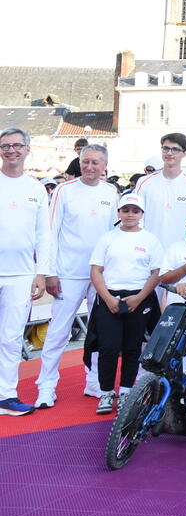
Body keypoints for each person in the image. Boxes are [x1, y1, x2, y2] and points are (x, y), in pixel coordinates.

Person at [36, 143, 116, 408]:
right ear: (79, 163)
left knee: (99, 332)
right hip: (68, 273)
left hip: (101, 276)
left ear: (105, 165)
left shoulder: (111, 192)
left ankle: (94, 382)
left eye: (95, 162)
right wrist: (50, 272)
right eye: (86, 162)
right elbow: (50, 232)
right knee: (58, 331)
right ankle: (46, 386)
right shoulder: (63, 191)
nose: (90, 167)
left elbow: (112, 235)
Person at [88, 194, 163, 414]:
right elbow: (96, 270)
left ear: (141, 214)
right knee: (108, 347)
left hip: (138, 298)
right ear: (119, 213)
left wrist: (139, 297)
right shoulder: (107, 238)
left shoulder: (150, 240)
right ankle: (105, 393)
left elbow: (156, 273)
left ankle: (126, 391)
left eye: (135, 211)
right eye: (126, 210)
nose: (130, 215)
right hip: (110, 298)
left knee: (132, 348)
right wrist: (108, 298)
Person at [0, 128, 51, 415]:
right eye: (6, 146)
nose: (11, 150)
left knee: (9, 338)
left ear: (27, 150)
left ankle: (5, 396)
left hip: (21, 274)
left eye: (17, 145)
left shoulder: (35, 188)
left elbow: (44, 235)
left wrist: (41, 272)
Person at [134, 133, 186, 249]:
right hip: (148, 251)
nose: (169, 153)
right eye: (166, 148)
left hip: (181, 253)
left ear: (185, 153)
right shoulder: (144, 182)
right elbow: (138, 219)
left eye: (175, 149)